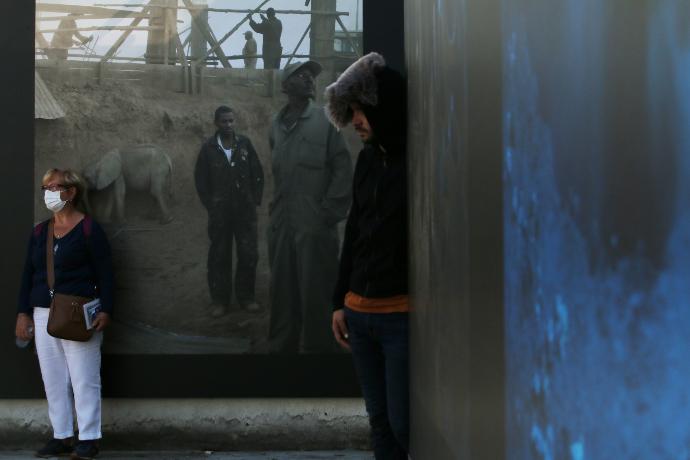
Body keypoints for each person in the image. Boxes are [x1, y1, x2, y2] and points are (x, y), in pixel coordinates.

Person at [325, 52, 409, 459]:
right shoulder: (367, 160)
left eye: (362, 111)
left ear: (383, 108)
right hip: (359, 316)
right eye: (351, 112)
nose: (355, 121)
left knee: (404, 424)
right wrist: (340, 302)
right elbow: (355, 232)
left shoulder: (415, 163)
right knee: (380, 424)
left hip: (399, 319)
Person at [15, 168, 114, 459]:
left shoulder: (89, 229)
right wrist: (23, 313)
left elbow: (106, 273)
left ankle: (89, 438)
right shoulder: (39, 231)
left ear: (71, 192)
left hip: (77, 312)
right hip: (43, 313)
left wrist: (106, 309)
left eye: (55, 187)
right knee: (53, 379)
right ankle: (62, 435)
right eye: (46, 187)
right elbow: (28, 273)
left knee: (84, 377)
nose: (49, 193)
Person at [267, 60, 353, 353]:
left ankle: (320, 351)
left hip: (314, 222)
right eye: (301, 75)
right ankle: (282, 348)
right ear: (285, 85)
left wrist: (327, 214)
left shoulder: (326, 120)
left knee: (317, 289)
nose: (309, 79)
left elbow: (342, 169)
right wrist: (275, 216)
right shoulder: (275, 125)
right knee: (282, 288)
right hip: (282, 222)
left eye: (311, 76)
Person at [194, 106, 264, 316]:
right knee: (219, 256)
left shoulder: (244, 144)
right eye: (224, 121)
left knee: (248, 254)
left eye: (231, 121)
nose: (228, 125)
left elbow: (257, 172)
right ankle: (220, 301)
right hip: (220, 215)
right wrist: (212, 206)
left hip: (244, 213)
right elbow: (201, 181)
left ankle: (246, 297)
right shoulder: (208, 149)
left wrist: (253, 200)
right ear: (216, 123)